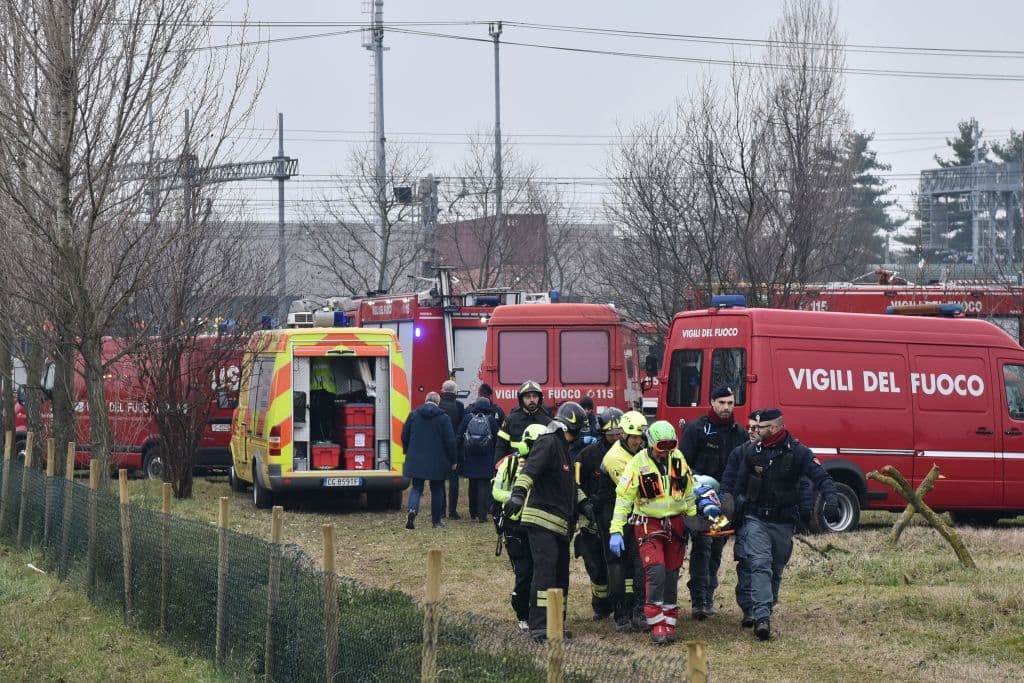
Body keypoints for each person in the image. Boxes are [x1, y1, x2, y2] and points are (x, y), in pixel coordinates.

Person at [720, 408, 840, 641]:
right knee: (759, 564)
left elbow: (822, 478)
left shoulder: (798, 452)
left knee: (775, 568)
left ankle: (766, 605)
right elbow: (738, 483)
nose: (754, 430)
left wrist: (831, 501)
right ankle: (761, 617)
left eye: (760, 427)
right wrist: (729, 507)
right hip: (756, 519)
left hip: (783, 522)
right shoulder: (751, 452)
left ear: (773, 428)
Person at [502, 401, 596, 642]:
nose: (575, 438)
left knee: (560, 576)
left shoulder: (563, 447)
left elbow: (570, 486)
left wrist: (585, 504)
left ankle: (555, 623)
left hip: (560, 527)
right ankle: (540, 626)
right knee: (545, 574)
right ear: (569, 427)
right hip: (542, 522)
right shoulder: (548, 441)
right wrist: (518, 493)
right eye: (575, 433)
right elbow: (530, 470)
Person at [609, 420, 707, 645]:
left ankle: (669, 619)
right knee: (656, 571)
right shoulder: (637, 463)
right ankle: (655, 622)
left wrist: (692, 518)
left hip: (677, 523)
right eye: (662, 446)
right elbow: (623, 498)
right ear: (651, 443)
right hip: (648, 523)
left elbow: (689, 489)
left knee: (672, 573)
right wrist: (616, 529)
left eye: (670, 445)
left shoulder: (678, 458)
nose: (666, 451)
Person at [680, 385, 747, 620]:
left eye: (730, 403)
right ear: (712, 402)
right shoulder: (697, 429)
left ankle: (709, 595)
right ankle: (699, 600)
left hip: (727, 501)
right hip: (699, 501)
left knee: (717, 550)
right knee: (702, 548)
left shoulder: (740, 433)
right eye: (722, 403)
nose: (727, 407)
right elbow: (682, 465)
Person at [492, 422, 547, 632]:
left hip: (539, 524)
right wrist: (518, 497)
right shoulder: (510, 464)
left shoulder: (546, 465)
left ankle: (539, 614)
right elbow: (497, 492)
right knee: (524, 572)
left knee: (540, 571)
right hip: (515, 525)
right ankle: (522, 612)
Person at [600, 410, 649, 632]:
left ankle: (637, 609)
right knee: (616, 566)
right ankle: (620, 613)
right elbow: (633, 491)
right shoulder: (614, 458)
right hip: (612, 512)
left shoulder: (641, 450)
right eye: (633, 437)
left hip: (635, 513)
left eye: (640, 437)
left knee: (638, 563)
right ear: (623, 435)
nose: (637, 441)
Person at [572, 407, 622, 621]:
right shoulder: (587, 455)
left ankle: (623, 605)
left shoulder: (634, 452)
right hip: (594, 521)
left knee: (621, 567)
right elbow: (574, 484)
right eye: (611, 434)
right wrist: (586, 507)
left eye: (619, 433)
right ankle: (601, 606)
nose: (616, 438)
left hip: (621, 518)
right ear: (602, 433)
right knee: (596, 567)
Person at [401, 392, 457, 530]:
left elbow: (404, 435)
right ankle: (436, 521)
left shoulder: (413, 415)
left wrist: (408, 450)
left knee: (416, 488)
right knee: (437, 490)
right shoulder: (443, 418)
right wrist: (453, 460)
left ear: (425, 400)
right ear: (438, 403)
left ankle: (412, 511)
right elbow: (450, 441)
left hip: (416, 459)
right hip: (438, 460)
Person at [457, 389, 501, 522]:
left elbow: (459, 436)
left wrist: (460, 452)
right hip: (486, 457)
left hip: (470, 457)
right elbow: (498, 437)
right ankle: (482, 515)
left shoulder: (467, 418)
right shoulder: (491, 420)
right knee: (484, 485)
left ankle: (473, 512)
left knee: (472, 485)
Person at [495, 380, 551, 462]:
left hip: (540, 470)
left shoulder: (547, 422)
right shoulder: (510, 421)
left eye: (535, 396)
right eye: (528, 397)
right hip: (516, 469)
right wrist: (498, 469)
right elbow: (500, 448)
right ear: (521, 399)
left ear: (539, 398)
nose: (532, 400)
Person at [438, 380, 466, 520]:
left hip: (439, 448)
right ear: (455, 393)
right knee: (453, 481)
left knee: (439, 480)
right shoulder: (459, 406)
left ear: (442, 391)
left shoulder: (438, 405)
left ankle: (441, 510)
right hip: (454, 448)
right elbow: (462, 426)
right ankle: (452, 512)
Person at [309, 357, 337, 442]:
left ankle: (321, 439)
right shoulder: (329, 357)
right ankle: (327, 438)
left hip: (319, 389)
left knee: (319, 418)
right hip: (329, 390)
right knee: (328, 417)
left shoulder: (314, 356)